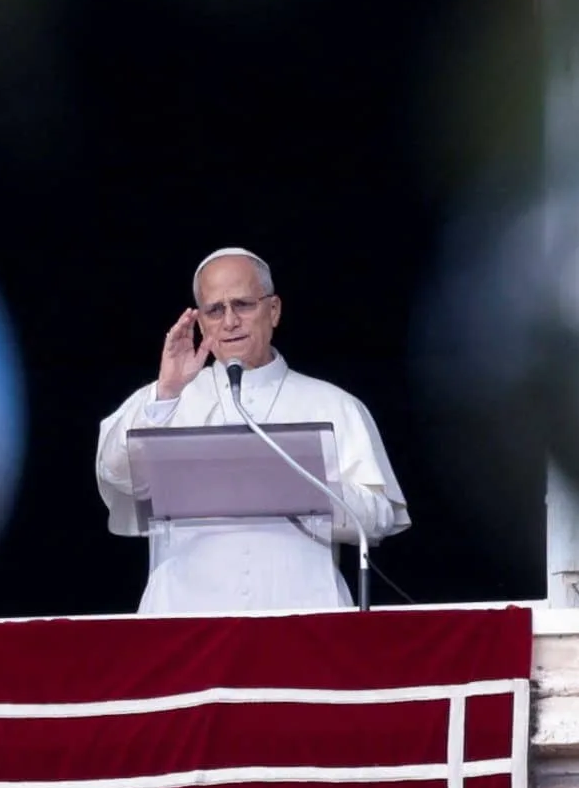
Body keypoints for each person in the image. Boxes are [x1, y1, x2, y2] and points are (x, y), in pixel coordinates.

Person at [92, 247, 410, 616]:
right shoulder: (165, 399)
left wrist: (302, 487)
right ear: (201, 322)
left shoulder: (334, 404)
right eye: (215, 310)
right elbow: (114, 475)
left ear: (273, 310)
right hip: (186, 622)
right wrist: (166, 392)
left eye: (242, 304)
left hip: (304, 621)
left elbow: (378, 519)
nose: (229, 322)